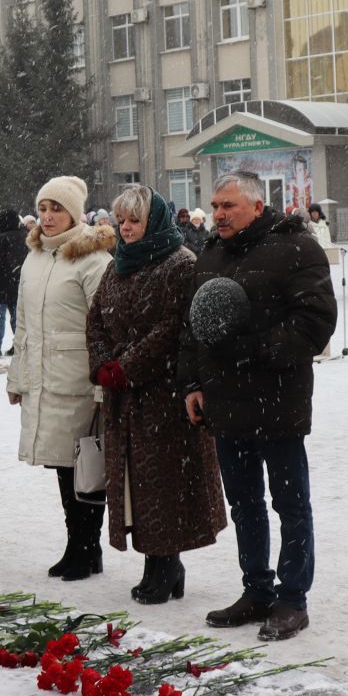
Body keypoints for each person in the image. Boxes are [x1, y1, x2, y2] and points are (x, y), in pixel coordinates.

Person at [178, 169, 336, 641]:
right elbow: (192, 328)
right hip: (224, 403)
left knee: (290, 503)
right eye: (216, 206)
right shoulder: (210, 254)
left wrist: (256, 352)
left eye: (229, 206)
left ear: (257, 206)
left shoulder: (296, 248)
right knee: (244, 504)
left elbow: (315, 322)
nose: (220, 214)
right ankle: (256, 589)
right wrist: (191, 382)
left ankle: (292, 599)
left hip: (278, 401)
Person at [88, 186, 228, 605]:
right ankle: (156, 562)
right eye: (122, 220)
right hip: (123, 399)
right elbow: (95, 319)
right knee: (136, 484)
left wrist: (126, 367)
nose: (127, 228)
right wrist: (101, 363)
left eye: (135, 220)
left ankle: (167, 564)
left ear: (154, 222)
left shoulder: (181, 264)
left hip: (164, 396)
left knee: (164, 485)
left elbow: (171, 328)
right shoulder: (117, 266)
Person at [7, 175, 116, 581]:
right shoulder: (35, 256)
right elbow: (22, 323)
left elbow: (106, 326)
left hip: (79, 378)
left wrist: (102, 385)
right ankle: (78, 545)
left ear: (74, 213)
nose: (48, 217)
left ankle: (87, 548)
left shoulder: (93, 259)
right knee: (62, 465)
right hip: (43, 376)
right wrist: (17, 378)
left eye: (57, 209)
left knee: (84, 465)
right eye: (43, 209)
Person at [0, 207, 27, 357]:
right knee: (17, 317)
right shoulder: (24, 237)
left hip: (1, 285)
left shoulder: (1, 239)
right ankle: (18, 344)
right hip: (19, 283)